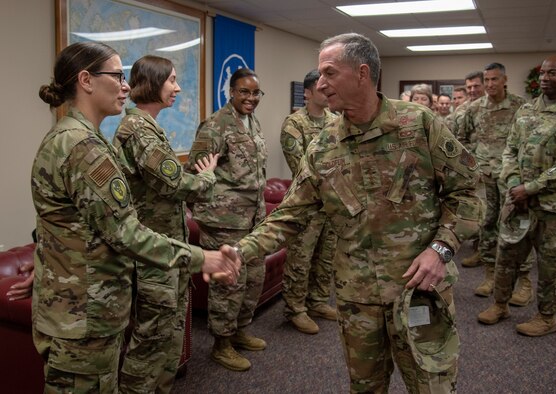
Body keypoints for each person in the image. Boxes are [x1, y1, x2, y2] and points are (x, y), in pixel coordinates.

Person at [235, 33, 481, 393]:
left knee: (432, 386)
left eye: (329, 73)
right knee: (365, 387)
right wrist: (241, 252)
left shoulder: (418, 124)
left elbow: (469, 190)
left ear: (362, 73)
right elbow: (290, 215)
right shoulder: (322, 146)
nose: (320, 84)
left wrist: (441, 249)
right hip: (357, 299)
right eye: (319, 75)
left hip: (419, 289)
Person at [31, 42, 240, 392]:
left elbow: (68, 227)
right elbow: (125, 233)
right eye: (116, 76)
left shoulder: (77, 138)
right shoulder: (82, 147)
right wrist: (204, 257)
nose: (126, 86)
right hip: (83, 317)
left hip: (82, 311)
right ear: (86, 80)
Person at [112, 55, 220, 393]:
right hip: (152, 255)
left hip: (165, 249)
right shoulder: (139, 130)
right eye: (171, 80)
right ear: (153, 83)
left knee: (169, 337)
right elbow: (175, 185)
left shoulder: (148, 127)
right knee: (151, 341)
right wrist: (207, 178)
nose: (177, 87)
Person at [477, 55, 556, 336]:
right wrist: (515, 183)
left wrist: (530, 188)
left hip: (555, 208)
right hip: (518, 203)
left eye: (553, 73)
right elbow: (510, 150)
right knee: (506, 257)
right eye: (542, 73)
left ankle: (547, 317)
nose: (544, 78)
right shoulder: (526, 110)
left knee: (551, 265)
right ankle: (500, 304)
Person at [185, 68, 267, 372]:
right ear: (231, 92)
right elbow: (196, 173)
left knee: (253, 277)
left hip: (252, 218)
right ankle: (221, 343)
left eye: (256, 92)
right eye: (244, 92)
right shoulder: (215, 126)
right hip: (224, 221)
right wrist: (209, 213)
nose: (250, 98)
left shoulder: (252, 122)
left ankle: (240, 330)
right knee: (229, 283)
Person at [458, 63, 534, 305]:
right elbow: (460, 139)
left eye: (494, 79)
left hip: (512, 178)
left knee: (516, 226)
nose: (490, 84)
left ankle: (523, 281)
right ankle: (490, 274)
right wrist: (472, 164)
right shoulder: (474, 108)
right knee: (487, 223)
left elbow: (529, 141)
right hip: (485, 177)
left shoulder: (519, 106)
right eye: (487, 80)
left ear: (504, 80)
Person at [279, 69, 338, 334]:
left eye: (329, 88)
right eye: (321, 88)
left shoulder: (335, 121)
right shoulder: (294, 124)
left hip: (333, 205)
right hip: (307, 205)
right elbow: (301, 168)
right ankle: (295, 308)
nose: (327, 92)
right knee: (300, 258)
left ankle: (317, 301)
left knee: (326, 256)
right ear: (307, 93)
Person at [446, 71, 485, 137]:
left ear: (484, 85)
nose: (472, 90)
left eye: (476, 86)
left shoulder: (495, 106)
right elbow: (454, 136)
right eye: (469, 87)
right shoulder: (460, 110)